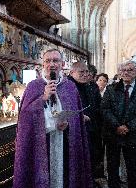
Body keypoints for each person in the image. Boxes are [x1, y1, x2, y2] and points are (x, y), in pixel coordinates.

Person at [13, 49, 92, 188]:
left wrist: (68, 123)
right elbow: (25, 117)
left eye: (55, 60)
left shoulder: (70, 87)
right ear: (43, 64)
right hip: (42, 142)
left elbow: (76, 118)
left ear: (62, 64)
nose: (52, 64)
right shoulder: (33, 86)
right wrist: (44, 97)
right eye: (47, 61)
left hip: (65, 141)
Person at [102, 60, 136, 188]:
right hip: (113, 134)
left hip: (133, 135)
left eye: (130, 70)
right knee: (112, 167)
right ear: (119, 73)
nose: (126, 73)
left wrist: (129, 126)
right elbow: (104, 109)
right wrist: (117, 126)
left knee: (132, 168)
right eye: (123, 70)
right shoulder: (110, 89)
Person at [68, 62, 103, 187]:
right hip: (76, 131)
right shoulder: (67, 86)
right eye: (81, 72)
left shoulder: (91, 85)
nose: (85, 74)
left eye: (86, 72)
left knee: (92, 156)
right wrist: (78, 117)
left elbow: (98, 105)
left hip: (93, 128)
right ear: (72, 73)